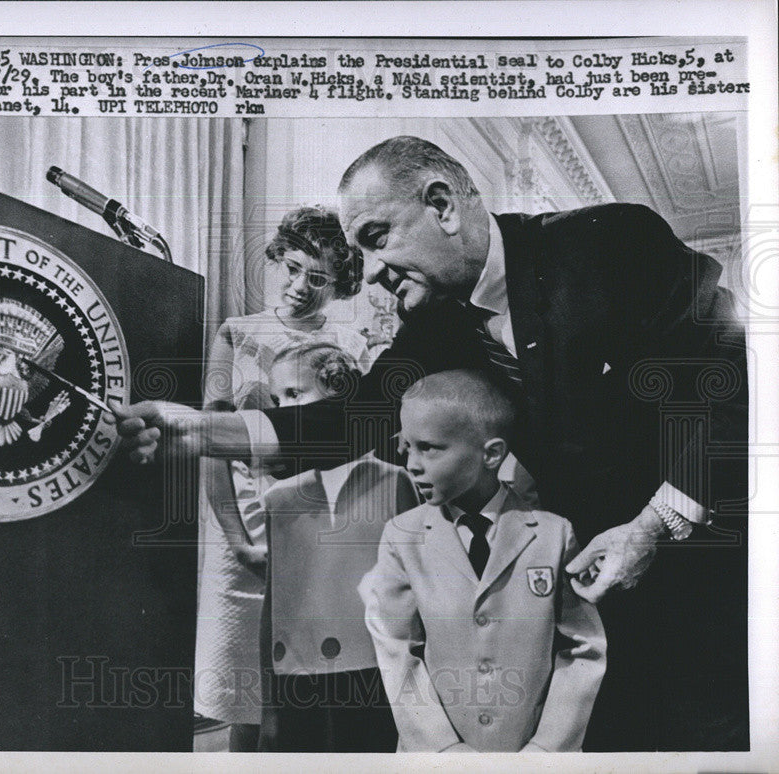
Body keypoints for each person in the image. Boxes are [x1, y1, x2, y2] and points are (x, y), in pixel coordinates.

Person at [120, 136, 748, 751]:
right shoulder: (439, 321)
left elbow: (735, 379)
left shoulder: (607, 243)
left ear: (443, 205)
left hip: (701, 571)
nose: (366, 275)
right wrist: (197, 429)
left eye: (375, 238)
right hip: (588, 587)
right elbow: (355, 418)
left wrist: (656, 524)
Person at [193, 205, 368, 750]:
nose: (299, 286)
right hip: (241, 526)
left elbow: (354, 450)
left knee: (308, 680)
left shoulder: (355, 347)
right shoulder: (236, 334)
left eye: (317, 278)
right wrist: (237, 539)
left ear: (340, 284)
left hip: (317, 528)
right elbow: (211, 444)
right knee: (243, 685)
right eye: (291, 268)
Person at [359, 370, 605, 752]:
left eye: (429, 448)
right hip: (436, 756)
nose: (411, 463)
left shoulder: (554, 535)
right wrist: (443, 749)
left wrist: (546, 750)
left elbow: (584, 649)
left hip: (529, 753)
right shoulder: (401, 536)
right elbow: (396, 652)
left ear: (491, 453)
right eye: (406, 446)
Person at [256, 342, 416, 752]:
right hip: (297, 673)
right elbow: (273, 601)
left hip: (375, 669)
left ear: (339, 392)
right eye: (276, 400)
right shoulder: (279, 495)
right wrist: (269, 701)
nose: (283, 409)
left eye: (294, 395)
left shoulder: (397, 481)